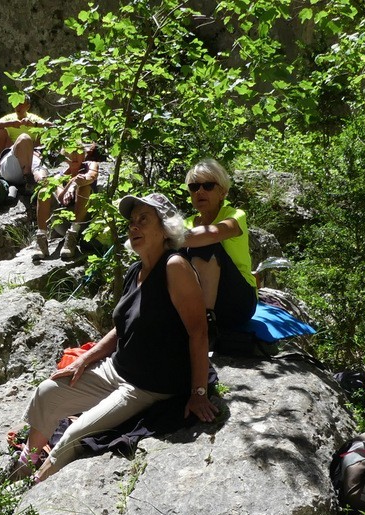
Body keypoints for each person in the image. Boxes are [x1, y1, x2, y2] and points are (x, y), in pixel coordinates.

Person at [17, 192, 217, 481]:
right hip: (116, 369)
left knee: (74, 434)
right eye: (131, 222)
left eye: (144, 220)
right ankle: (26, 462)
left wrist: (198, 393)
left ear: (165, 228)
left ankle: (32, 488)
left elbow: (199, 331)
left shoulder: (175, 267)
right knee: (47, 392)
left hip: (145, 386)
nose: (134, 227)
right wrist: (83, 360)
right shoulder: (137, 269)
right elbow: (122, 328)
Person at [179, 159, 258, 342]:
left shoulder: (235, 215)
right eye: (194, 187)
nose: (199, 191)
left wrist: (166, 238)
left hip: (238, 301)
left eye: (207, 186)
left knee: (205, 241)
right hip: (196, 299)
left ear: (222, 192)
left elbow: (214, 232)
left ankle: (206, 322)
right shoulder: (187, 223)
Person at [34, 144, 99, 262]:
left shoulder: (90, 165)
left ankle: (72, 237)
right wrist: (69, 184)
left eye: (78, 152)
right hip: (63, 224)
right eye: (70, 152)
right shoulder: (59, 177)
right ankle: (41, 240)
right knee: (44, 192)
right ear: (65, 156)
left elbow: (91, 176)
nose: (74, 156)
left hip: (84, 223)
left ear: (83, 155)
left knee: (83, 188)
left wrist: (75, 183)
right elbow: (61, 198)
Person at [0, 93, 51, 160]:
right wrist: (11, 124)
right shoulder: (9, 118)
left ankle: (39, 156)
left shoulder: (33, 118)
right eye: (16, 103)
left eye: (20, 104)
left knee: (44, 130)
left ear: (28, 107)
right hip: (11, 148)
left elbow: (51, 126)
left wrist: (34, 124)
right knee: (0, 130)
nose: (18, 107)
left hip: (31, 149)